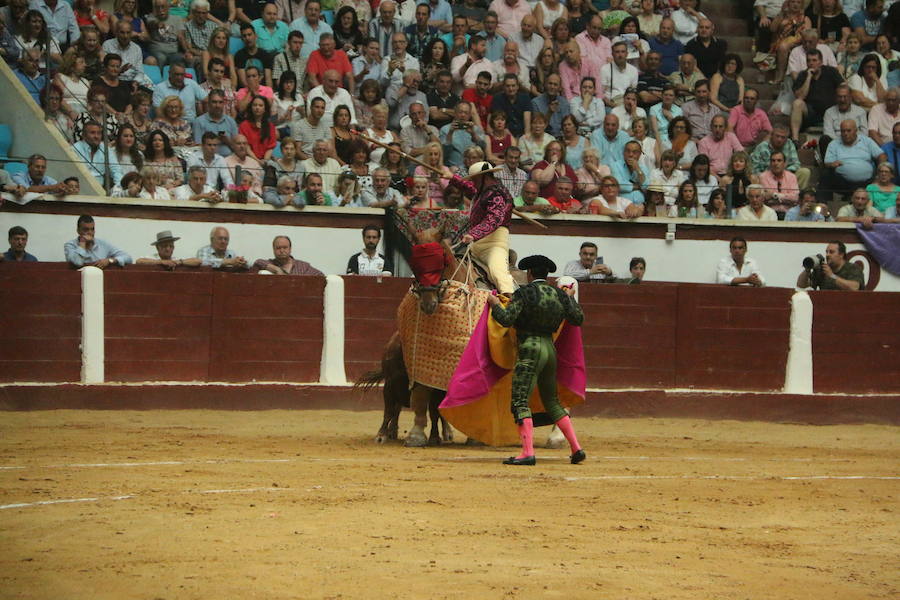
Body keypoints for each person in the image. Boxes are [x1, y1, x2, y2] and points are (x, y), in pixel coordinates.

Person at [485, 254, 585, 466]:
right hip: (550, 350)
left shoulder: (524, 292)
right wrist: (568, 297)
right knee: (552, 402)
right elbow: (578, 319)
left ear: (530, 273)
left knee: (521, 400)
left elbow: (505, 319)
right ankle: (576, 448)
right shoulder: (559, 294)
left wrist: (494, 303)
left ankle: (527, 452)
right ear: (546, 274)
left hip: (530, 349)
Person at [446, 161, 515, 294]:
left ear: (483, 178)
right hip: (476, 245)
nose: (473, 183)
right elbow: (469, 189)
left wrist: (474, 233)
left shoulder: (498, 194)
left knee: (498, 273)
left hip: (494, 244)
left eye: (475, 180)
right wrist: (452, 178)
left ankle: (510, 301)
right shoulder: (485, 192)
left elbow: (494, 218)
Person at [820, 119, 888, 202]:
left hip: (867, 182)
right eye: (843, 131)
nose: (845, 134)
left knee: (885, 172)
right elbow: (827, 163)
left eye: (849, 131)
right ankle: (823, 207)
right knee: (826, 174)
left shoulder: (866, 141)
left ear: (856, 131)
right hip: (843, 182)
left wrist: (880, 171)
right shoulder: (834, 144)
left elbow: (882, 155)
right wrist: (832, 164)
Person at [791, 49, 843, 142]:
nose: (811, 63)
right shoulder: (803, 75)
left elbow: (843, 87)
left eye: (814, 60)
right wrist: (808, 78)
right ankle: (795, 139)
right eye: (809, 60)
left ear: (821, 62)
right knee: (797, 103)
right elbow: (800, 96)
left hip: (831, 111)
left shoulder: (831, 72)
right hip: (811, 113)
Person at [64, 214, 133, 268]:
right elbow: (78, 262)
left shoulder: (103, 244)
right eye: (86, 230)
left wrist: (109, 260)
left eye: (92, 229)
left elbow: (128, 258)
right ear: (78, 231)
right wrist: (82, 243)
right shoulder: (70, 245)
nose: (90, 232)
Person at [73, 121, 125, 188]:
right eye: (92, 133)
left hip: (100, 191)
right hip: (79, 189)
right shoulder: (75, 149)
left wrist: (119, 188)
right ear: (84, 135)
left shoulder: (106, 149)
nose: (96, 136)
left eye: (99, 133)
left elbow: (116, 171)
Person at [796, 241, 864, 290]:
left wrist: (832, 276)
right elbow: (801, 285)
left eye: (831, 252)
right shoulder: (822, 269)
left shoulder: (853, 268)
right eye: (827, 252)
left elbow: (854, 287)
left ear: (841, 255)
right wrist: (807, 269)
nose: (827, 255)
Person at [253, 235, 324, 275]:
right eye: (278, 248)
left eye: (285, 247)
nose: (282, 251)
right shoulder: (271, 263)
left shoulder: (303, 266)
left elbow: (320, 276)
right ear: (273, 250)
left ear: (290, 249)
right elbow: (258, 262)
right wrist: (276, 269)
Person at [759, 151, 800, 217]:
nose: (776, 163)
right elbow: (763, 199)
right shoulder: (763, 177)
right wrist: (786, 199)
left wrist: (774, 195)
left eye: (779, 160)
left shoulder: (791, 177)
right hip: (769, 214)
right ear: (770, 163)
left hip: (789, 213)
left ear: (784, 163)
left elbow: (795, 198)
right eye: (773, 161)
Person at [136, 230, 202, 269]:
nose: (168, 249)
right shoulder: (151, 257)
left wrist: (180, 262)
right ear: (157, 248)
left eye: (171, 246)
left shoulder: (176, 258)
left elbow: (198, 261)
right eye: (164, 246)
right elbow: (139, 261)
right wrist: (161, 262)